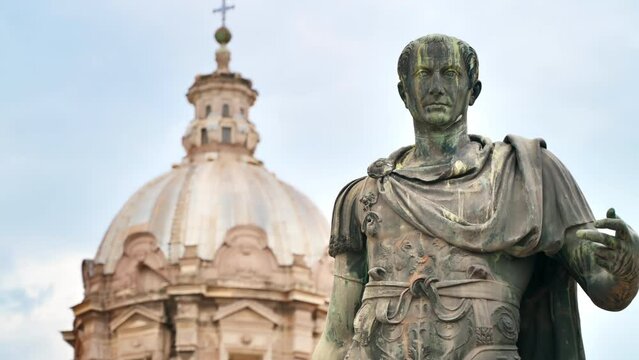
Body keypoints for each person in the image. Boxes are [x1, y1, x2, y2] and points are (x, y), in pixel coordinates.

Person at [312, 34, 639, 360]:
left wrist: (628, 269)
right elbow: (336, 336)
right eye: (424, 75)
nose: (436, 88)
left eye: (450, 74)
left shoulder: (526, 177)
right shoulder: (365, 195)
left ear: (473, 91)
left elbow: (606, 290)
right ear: (404, 92)